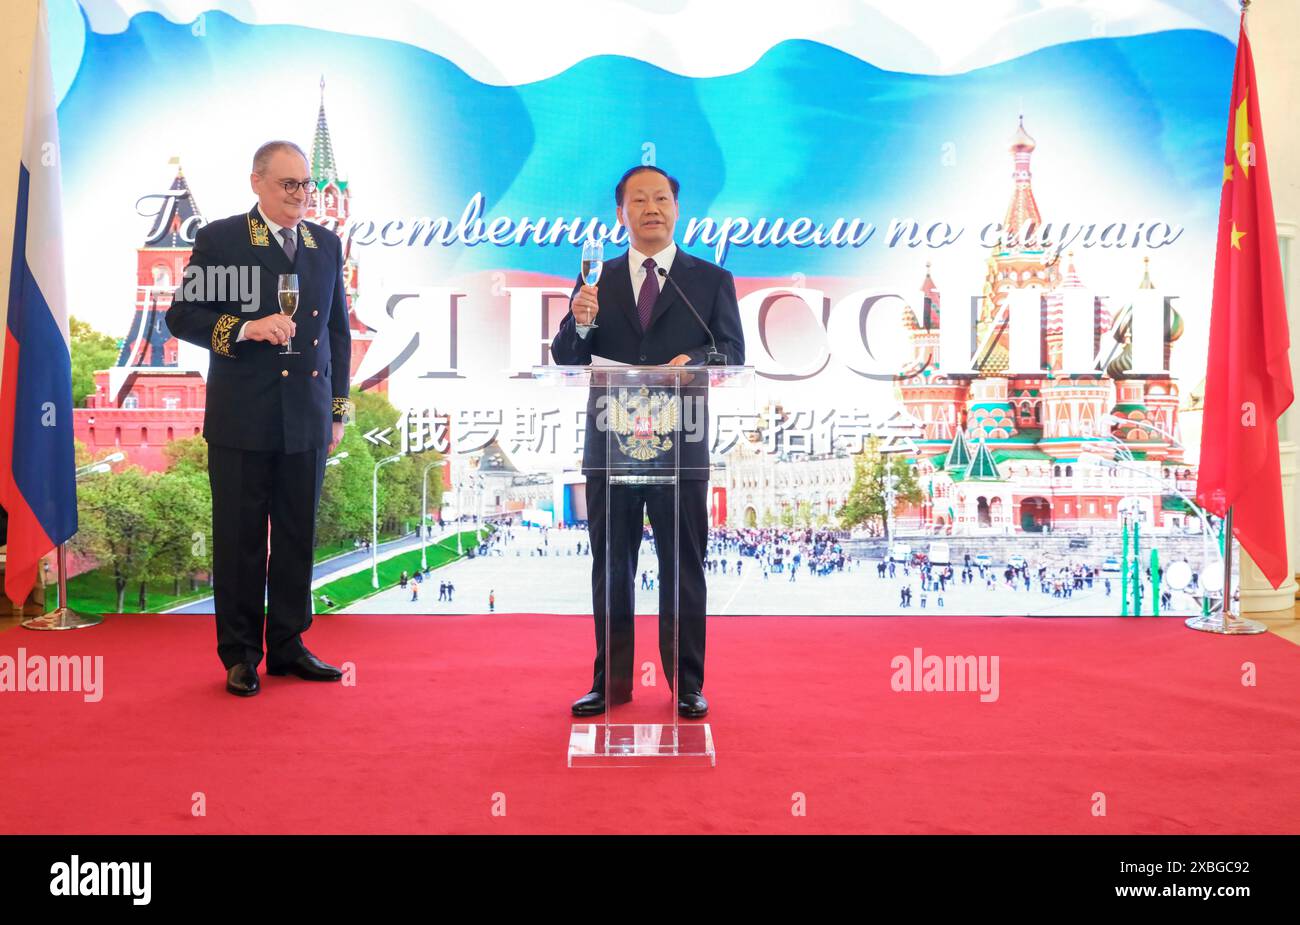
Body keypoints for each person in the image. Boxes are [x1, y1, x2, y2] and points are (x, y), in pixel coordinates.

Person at [551, 165, 744, 720]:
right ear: (622, 213)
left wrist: (698, 361)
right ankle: (609, 684)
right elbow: (566, 358)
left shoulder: (708, 280)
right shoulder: (596, 279)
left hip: (680, 446)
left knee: (683, 565)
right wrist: (580, 322)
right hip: (610, 446)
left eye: (662, 198)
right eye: (639, 200)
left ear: (677, 209)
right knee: (611, 567)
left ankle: (686, 684)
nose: (652, 208)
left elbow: (730, 351)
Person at [166, 140, 350, 697]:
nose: (300, 196)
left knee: (297, 536)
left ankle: (290, 645)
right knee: (242, 539)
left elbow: (337, 332)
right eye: (288, 184)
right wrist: (246, 327)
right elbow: (182, 316)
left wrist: (338, 408)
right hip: (244, 416)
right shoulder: (222, 238)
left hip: (308, 414)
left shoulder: (325, 243)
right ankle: (241, 654)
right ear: (257, 183)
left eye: (305, 186)